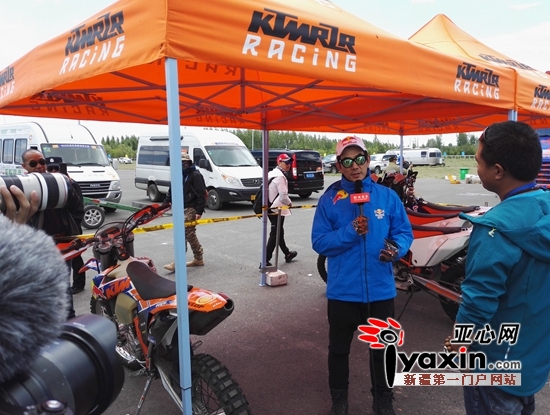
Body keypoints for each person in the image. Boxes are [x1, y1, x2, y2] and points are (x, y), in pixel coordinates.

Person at [444, 121, 550, 415]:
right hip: (532, 360)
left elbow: (477, 301)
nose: (477, 168)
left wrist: (460, 343)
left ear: (498, 171)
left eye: (479, 162)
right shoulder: (544, 206)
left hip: (494, 366)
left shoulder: (494, 230)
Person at [311, 136, 413, 415]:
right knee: (338, 351)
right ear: (339, 166)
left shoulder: (387, 197)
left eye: (359, 159)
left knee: (382, 350)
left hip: (380, 291)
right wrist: (350, 232)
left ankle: (383, 400)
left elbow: (404, 232)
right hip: (343, 292)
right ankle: (339, 400)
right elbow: (319, 242)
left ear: (368, 160)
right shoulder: (329, 199)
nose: (354, 166)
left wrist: (396, 248)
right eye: (347, 161)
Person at [21, 150, 84, 319]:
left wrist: (69, 186)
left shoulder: (59, 183)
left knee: (63, 284)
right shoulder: (21, 187)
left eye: (42, 162)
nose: (39, 166)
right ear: (24, 166)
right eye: (33, 163)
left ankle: (69, 319)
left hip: (62, 243)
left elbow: (77, 208)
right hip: (36, 246)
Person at [164, 153, 207, 271]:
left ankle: (178, 262)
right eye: (181, 163)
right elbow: (171, 192)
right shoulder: (177, 175)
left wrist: (199, 211)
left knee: (185, 233)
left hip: (191, 208)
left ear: (190, 163)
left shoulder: (195, 175)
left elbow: (201, 194)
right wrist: (164, 206)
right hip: (180, 208)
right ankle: (198, 258)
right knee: (189, 234)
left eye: (185, 162)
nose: (184, 165)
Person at [262, 153, 297, 267]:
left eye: (289, 162)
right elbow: (283, 196)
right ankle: (265, 260)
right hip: (277, 209)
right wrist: (289, 203)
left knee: (278, 232)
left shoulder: (271, 173)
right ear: (279, 163)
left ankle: (287, 253)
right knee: (275, 233)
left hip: (269, 206)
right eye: (286, 162)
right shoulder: (280, 177)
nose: (288, 165)